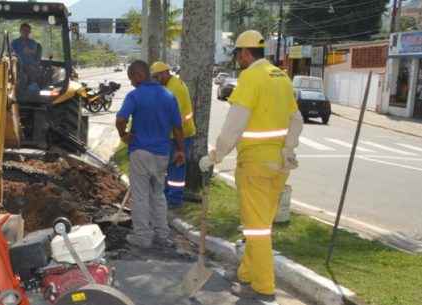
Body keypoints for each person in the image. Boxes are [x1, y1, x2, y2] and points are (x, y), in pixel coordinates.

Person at [199, 30, 303, 305]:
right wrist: (287, 149)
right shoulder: (281, 76)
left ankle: (264, 288)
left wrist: (215, 156)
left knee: (257, 229)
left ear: (245, 53)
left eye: (238, 55)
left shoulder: (250, 77)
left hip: (255, 165)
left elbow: (234, 125)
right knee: (261, 224)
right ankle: (246, 273)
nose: (238, 60)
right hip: (279, 165)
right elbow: (296, 120)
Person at [116, 60, 185, 252]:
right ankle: (162, 235)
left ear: (139, 75)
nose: (131, 83)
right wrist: (180, 150)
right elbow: (178, 127)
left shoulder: (135, 96)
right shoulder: (168, 95)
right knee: (158, 195)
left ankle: (142, 237)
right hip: (162, 154)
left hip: (140, 152)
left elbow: (121, 118)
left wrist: (123, 135)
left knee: (140, 196)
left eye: (131, 78)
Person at [150, 61, 196, 209]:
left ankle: (174, 200)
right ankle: (168, 195)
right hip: (178, 133)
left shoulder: (173, 90)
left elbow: (173, 120)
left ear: (164, 73)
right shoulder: (172, 84)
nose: (156, 80)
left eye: (157, 77)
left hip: (180, 135)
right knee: (171, 166)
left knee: (176, 166)